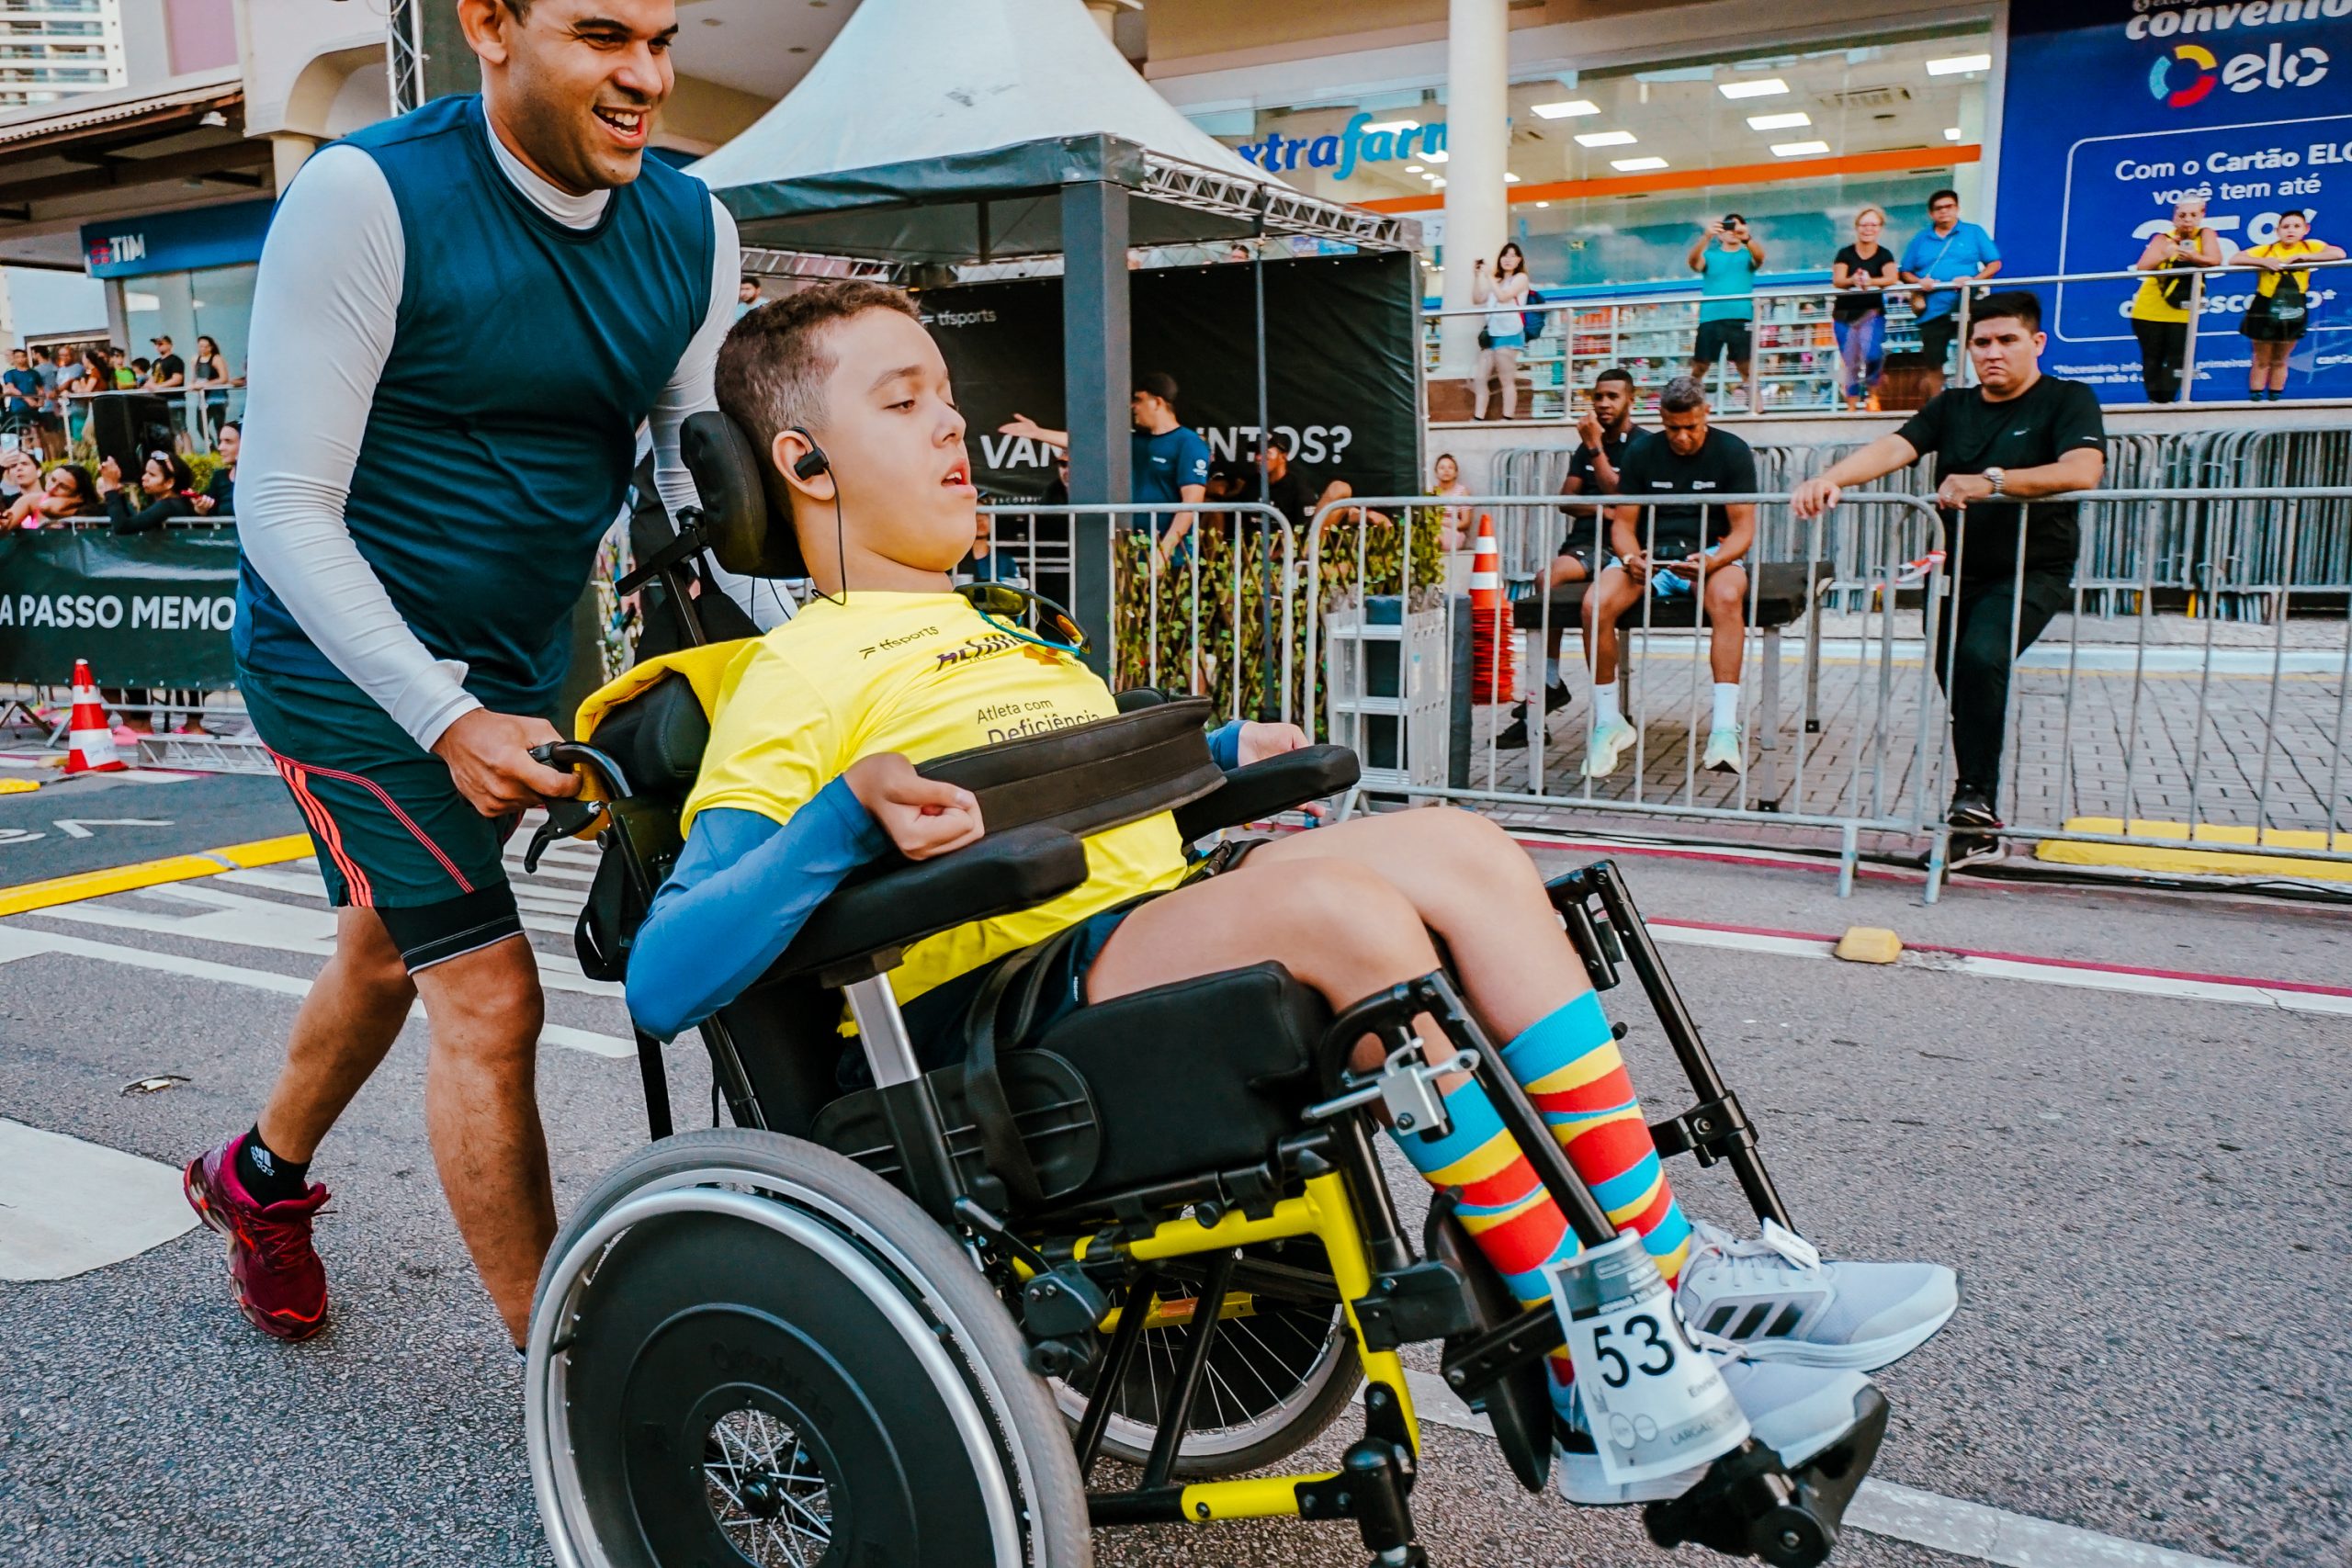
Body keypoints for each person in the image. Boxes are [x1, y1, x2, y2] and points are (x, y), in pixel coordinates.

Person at [617, 279, 1956, 1506]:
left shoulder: (1009, 630)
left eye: (949, 397)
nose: (954, 427)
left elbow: (1064, 777)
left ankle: (1666, 1268)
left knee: (1463, 844)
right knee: (1338, 916)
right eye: (903, 403)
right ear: (804, 464)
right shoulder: (793, 674)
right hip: (996, 1016)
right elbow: (667, 974)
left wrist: (1205, 755)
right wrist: (841, 816)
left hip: (1131, 937)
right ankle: (1578, 1350)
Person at [178, 0, 741, 1356]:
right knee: (488, 990)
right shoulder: (366, 194)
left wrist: (832, 633)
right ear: (489, 22)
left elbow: (698, 484)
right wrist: (445, 713)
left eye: (662, 38)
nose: (646, 76)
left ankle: (255, 1178)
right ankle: (567, 1383)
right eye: (602, 34)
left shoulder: (693, 224)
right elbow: (285, 504)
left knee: (391, 946)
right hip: (344, 665)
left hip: (526, 652)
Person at [1793, 290, 2105, 870]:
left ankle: (1975, 801)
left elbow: (2083, 470)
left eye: (2007, 340)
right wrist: (1832, 479)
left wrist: (1991, 481)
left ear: (2036, 343)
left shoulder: (2067, 399)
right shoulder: (1954, 405)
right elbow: (1897, 445)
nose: (1993, 353)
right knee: (1958, 676)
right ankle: (1974, 814)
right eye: (1982, 343)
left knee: (1982, 657)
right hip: (1960, 570)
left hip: (2033, 568)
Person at [1580, 377, 1756, 780]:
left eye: (1691, 427)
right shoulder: (1643, 451)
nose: (1682, 437)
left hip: (1710, 552)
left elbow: (1744, 530)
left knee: (1728, 597)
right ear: (1661, 418)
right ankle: (1609, 721)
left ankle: (1724, 728)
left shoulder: (1732, 450)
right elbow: (1623, 525)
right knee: (1594, 605)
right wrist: (1630, 557)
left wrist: (1713, 561)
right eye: (1673, 428)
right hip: (1650, 555)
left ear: (1706, 413)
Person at [1497, 367, 1638, 751]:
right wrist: (1605, 509)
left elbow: (1622, 495)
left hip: (1622, 546)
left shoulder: (1642, 445)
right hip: (1584, 543)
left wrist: (1595, 449)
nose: (1604, 404)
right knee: (1546, 580)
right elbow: (1567, 499)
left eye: (1612, 396)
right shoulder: (1584, 448)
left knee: (1586, 601)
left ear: (1630, 400)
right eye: (1598, 397)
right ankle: (1549, 682)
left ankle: (1597, 705)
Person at [995, 370, 1209, 565]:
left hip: (1174, 557)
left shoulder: (1189, 443)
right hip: (1132, 552)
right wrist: (1038, 433)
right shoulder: (1135, 441)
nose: (1133, 406)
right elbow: (1085, 443)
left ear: (1157, 402)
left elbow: (1191, 502)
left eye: (1138, 399)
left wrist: (1165, 550)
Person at [1899, 190, 2001, 400]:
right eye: (1939, 208)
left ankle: (1988, 399)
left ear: (1957, 208)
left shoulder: (1973, 232)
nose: (1944, 211)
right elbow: (1905, 272)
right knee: (1933, 360)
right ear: (1931, 213)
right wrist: (1920, 282)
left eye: (1949, 207)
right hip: (1933, 308)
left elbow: (1994, 263)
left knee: (1979, 351)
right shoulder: (1921, 239)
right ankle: (1937, 406)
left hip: (1967, 302)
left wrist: (1973, 280)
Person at [2232, 210, 2342, 401]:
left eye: (2296, 226)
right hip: (2265, 305)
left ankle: (2275, 399)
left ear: (2306, 229)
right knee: (2261, 359)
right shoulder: (2267, 250)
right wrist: (2263, 262)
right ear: (2277, 231)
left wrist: (2303, 258)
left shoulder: (2310, 247)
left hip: (2294, 306)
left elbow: (2339, 253)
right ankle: (2255, 399)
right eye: (2285, 227)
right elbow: (2235, 259)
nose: (2290, 231)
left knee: (2280, 359)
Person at [2128, 200, 2219, 405]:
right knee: (2152, 357)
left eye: (2193, 215)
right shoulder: (2163, 238)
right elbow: (2143, 266)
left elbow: (2215, 260)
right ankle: (2154, 402)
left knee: (2177, 358)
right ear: (2174, 216)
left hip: (2182, 308)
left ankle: (2168, 402)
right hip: (2150, 308)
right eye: (2182, 215)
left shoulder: (2205, 234)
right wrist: (2165, 254)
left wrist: (2193, 256)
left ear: (2202, 215)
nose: (2187, 220)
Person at [1689, 213, 1764, 410]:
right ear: (1720, 232)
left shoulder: (1747, 254)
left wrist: (1747, 238)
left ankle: (1757, 408)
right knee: (1700, 365)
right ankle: (1689, 402)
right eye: (1728, 227)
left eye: (1736, 227)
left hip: (1740, 317)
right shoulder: (1710, 255)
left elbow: (1760, 258)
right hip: (1710, 317)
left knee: (1745, 365)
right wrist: (1706, 237)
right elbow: (1694, 262)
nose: (1732, 231)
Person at [1833, 207, 1899, 412]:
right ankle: (1851, 406)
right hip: (1845, 315)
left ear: (1880, 228)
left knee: (1872, 355)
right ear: (1856, 227)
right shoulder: (1845, 253)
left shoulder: (1884, 254)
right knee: (1850, 361)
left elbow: (1892, 277)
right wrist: (1852, 280)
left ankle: (1873, 397)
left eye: (1873, 225)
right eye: (1864, 225)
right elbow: (1838, 280)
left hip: (1872, 313)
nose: (1868, 229)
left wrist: (1871, 282)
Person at [1472, 242, 1532, 420]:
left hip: (1510, 334)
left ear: (1519, 260)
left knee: (1506, 379)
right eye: (1505, 255)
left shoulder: (1520, 278)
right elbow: (1477, 299)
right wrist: (1477, 276)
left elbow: (1504, 297)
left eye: (1513, 255)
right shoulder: (1497, 281)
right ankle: (1478, 417)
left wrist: (1489, 276)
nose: (1508, 259)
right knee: (1480, 377)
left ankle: (1507, 418)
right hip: (1492, 334)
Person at [97, 448, 199, 535]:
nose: (144, 478)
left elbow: (123, 527)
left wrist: (110, 486)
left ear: (169, 483)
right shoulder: (172, 503)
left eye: (152, 475)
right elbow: (135, 521)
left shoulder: (168, 505)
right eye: (146, 472)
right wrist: (119, 494)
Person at [192, 334, 235, 440]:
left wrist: (207, 384)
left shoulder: (216, 359)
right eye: (200, 346)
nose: (203, 349)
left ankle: (222, 446)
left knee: (218, 426)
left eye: (205, 346)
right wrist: (194, 385)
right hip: (203, 398)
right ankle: (211, 447)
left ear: (210, 347)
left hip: (217, 397)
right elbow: (194, 378)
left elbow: (224, 378)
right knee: (201, 426)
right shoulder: (195, 359)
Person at [195, 420, 238, 516]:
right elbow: (212, 514)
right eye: (220, 441)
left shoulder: (261, 478)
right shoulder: (219, 477)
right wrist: (202, 509)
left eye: (228, 441)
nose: (220, 447)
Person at [1430, 451, 1470, 549]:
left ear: (1456, 473)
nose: (1446, 470)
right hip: (1434, 531)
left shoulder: (1462, 492)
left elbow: (1466, 523)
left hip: (1454, 534)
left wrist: (1442, 522)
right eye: (1442, 468)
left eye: (1450, 467)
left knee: (1434, 539)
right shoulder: (1431, 492)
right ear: (1436, 473)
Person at [2, 346, 44, 427]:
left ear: (26, 357)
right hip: (18, 408)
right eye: (17, 357)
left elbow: (40, 388)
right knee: (24, 431)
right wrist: (27, 399)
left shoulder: (34, 373)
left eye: (23, 356)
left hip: (34, 408)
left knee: (36, 430)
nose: (21, 359)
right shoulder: (10, 373)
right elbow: (12, 389)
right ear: (14, 359)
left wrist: (41, 400)